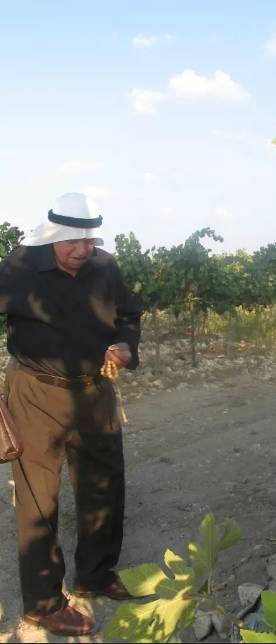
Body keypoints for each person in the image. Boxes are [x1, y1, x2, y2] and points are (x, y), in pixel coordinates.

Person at [0, 193, 143, 636]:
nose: (82, 252)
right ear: (54, 237)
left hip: (95, 390)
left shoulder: (105, 267)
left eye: (88, 243)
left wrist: (125, 345)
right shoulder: (20, 265)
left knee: (105, 486)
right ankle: (44, 604)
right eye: (72, 244)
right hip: (34, 393)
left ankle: (95, 575)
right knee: (38, 501)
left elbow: (130, 314)